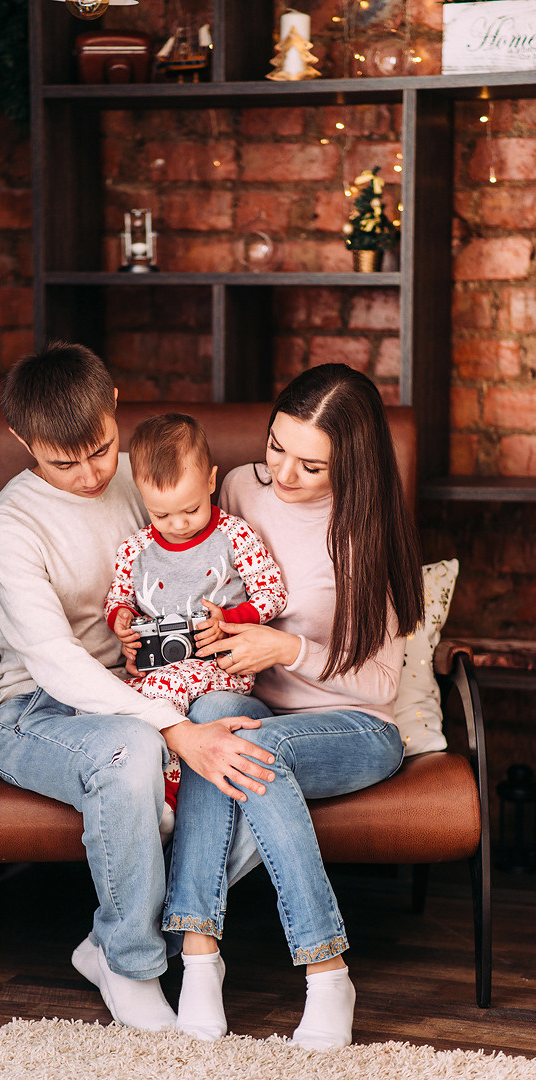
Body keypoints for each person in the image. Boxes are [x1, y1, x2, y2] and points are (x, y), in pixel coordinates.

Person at [0, 341, 277, 1033]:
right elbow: (53, 661)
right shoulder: (9, 526)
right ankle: (134, 965)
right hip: (35, 709)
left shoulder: (143, 480)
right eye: (62, 460)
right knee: (130, 752)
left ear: (115, 409)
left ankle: (107, 943)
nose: (88, 475)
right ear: (23, 441)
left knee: (256, 749)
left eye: (102, 450)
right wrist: (168, 725)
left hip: (147, 687)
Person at [160, 363, 425, 1048]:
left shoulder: (365, 529)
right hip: (254, 710)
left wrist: (284, 650)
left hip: (353, 727)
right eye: (276, 446)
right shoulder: (238, 487)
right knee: (218, 725)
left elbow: (378, 686)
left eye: (311, 465)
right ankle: (200, 963)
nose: (282, 474)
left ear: (351, 464)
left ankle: (326, 969)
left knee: (246, 746)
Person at [104, 413, 287, 829]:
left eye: (189, 510)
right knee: (108, 706)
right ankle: (135, 792)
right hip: (154, 669)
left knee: (161, 697)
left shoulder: (234, 535)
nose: (179, 524)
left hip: (220, 665)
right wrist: (123, 623)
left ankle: (166, 800)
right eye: (161, 515)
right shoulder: (136, 549)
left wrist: (230, 619)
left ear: (210, 482)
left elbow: (272, 592)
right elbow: (118, 596)